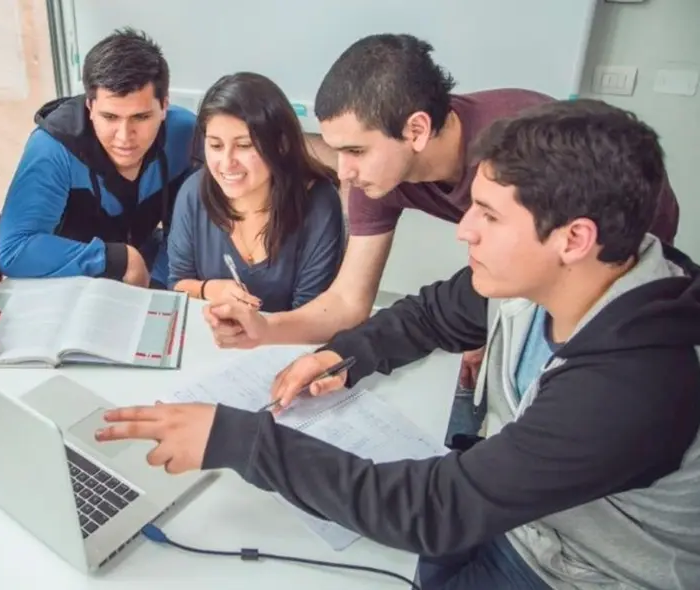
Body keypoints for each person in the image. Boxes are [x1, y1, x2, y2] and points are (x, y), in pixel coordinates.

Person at [94, 100, 700, 589]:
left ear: (574, 238)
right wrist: (343, 355)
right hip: (520, 519)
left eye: (488, 216)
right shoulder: (548, 276)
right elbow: (431, 315)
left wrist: (235, 437)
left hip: (571, 571)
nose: (464, 228)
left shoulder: (633, 386)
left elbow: (439, 509)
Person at [203, 33, 682, 440]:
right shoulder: (378, 174)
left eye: (354, 151)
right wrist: (269, 330)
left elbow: (585, 273)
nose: (343, 172)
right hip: (533, 281)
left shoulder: (515, 149)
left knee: (566, 397)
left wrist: (504, 328)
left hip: (622, 243)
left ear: (416, 129)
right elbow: (352, 302)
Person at [0, 28, 197, 288]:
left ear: (164, 106)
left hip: (150, 266)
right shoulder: (52, 147)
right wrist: (117, 259)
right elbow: (13, 250)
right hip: (69, 277)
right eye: (110, 117)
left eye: (141, 117)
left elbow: (188, 233)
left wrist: (159, 285)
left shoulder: (187, 134)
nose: (125, 136)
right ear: (90, 107)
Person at [167, 72, 344, 313]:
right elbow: (177, 285)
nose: (227, 162)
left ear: (280, 145)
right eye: (216, 146)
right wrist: (209, 290)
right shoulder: (193, 193)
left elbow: (312, 313)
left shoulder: (319, 203)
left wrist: (256, 329)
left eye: (243, 145)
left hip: (287, 343)